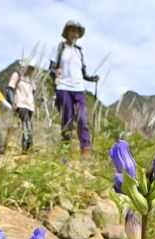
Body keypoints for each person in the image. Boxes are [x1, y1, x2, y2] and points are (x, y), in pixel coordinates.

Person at [49, 20, 99, 156]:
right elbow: (51, 69)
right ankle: (65, 150)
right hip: (63, 88)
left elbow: (83, 73)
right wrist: (55, 73)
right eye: (72, 30)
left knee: (82, 119)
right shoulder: (59, 48)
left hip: (79, 89)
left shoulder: (79, 52)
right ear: (67, 32)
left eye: (77, 31)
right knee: (68, 120)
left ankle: (86, 150)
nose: (75, 34)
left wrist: (92, 78)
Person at [7, 60, 36, 152]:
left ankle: (25, 149)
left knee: (27, 125)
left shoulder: (31, 81)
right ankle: (28, 144)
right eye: (29, 67)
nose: (31, 70)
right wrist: (12, 102)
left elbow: (32, 94)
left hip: (30, 107)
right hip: (20, 104)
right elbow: (9, 89)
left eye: (32, 68)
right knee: (27, 124)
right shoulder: (17, 75)